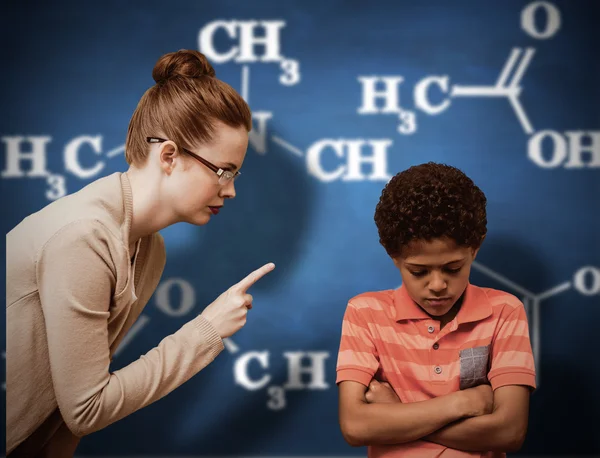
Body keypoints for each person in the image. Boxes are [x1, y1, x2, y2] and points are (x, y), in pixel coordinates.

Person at [6, 49, 275, 457]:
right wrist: (207, 330)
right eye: (223, 171)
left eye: (235, 174)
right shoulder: (86, 236)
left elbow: (61, 417)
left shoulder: (148, 248)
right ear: (168, 156)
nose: (231, 189)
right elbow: (87, 408)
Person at [336, 162, 536, 457]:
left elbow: (508, 432)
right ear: (394, 257)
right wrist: (463, 403)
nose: (438, 285)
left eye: (453, 268)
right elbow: (355, 426)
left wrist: (397, 414)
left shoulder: (504, 312)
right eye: (418, 272)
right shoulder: (364, 313)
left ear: (475, 249)